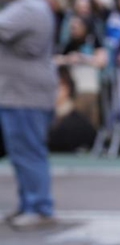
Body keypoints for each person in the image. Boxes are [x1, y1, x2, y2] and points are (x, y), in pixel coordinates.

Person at [0, 0, 59, 230]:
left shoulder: (28, 7)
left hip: (25, 94)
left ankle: (40, 208)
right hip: (17, 93)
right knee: (21, 154)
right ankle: (28, 204)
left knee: (29, 152)